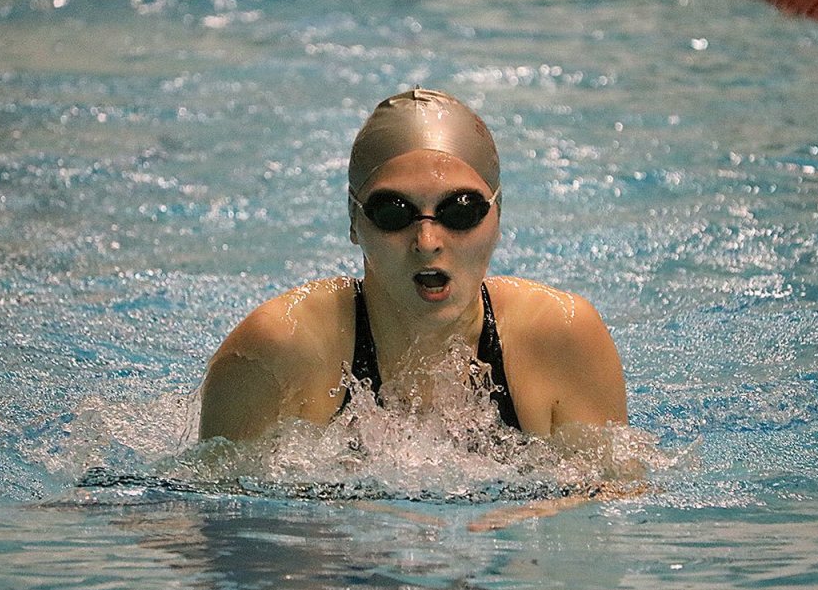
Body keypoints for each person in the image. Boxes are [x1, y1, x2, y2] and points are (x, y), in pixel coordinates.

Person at [199, 88, 627, 443]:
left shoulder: (562, 338)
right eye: (393, 212)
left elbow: (613, 503)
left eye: (460, 210)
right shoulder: (279, 351)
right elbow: (219, 512)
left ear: (497, 216)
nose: (427, 242)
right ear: (354, 220)